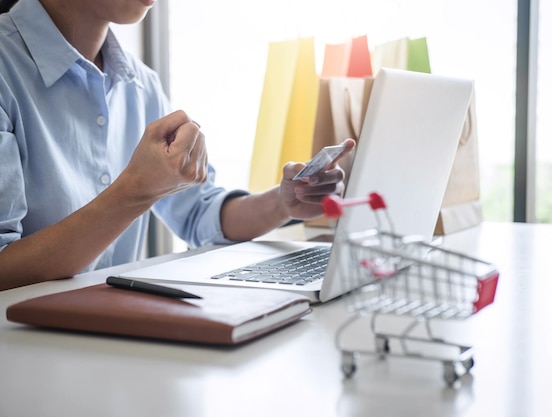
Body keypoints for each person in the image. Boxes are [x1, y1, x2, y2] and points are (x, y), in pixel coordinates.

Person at [0, 0, 355, 291]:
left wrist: (282, 202)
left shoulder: (141, 84)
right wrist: (135, 191)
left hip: (107, 337)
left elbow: (199, 213)